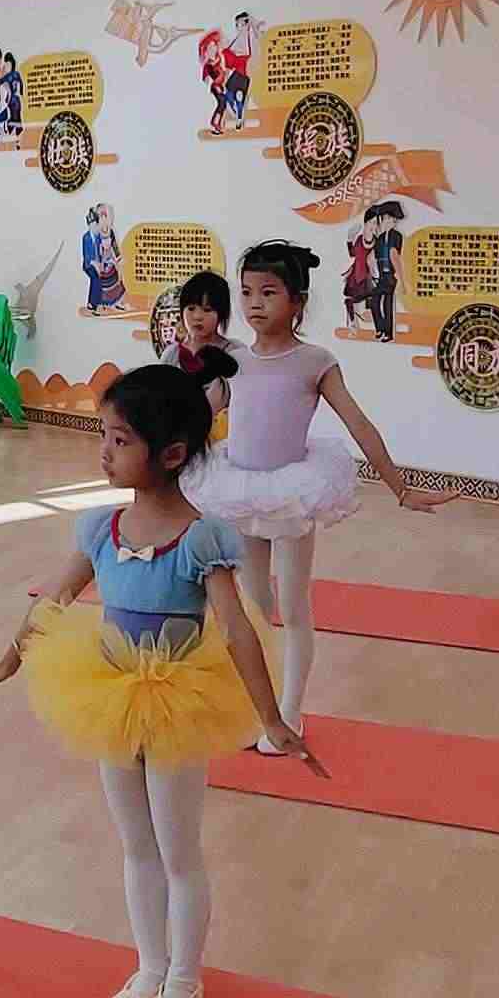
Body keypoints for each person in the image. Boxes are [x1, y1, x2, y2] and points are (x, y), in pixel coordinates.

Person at [0, 362, 307, 998]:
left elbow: (237, 629)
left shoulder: (202, 538)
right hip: (109, 694)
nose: (103, 451)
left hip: (178, 700)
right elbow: (55, 599)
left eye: (120, 440)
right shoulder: (101, 529)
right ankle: (150, 966)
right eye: (104, 435)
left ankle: (184, 977)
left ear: (172, 453)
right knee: (135, 846)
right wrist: (10, 657)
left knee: (177, 850)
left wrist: (271, 717)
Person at [184, 241, 457, 751]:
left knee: (292, 605)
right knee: (254, 606)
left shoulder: (314, 362)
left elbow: (358, 423)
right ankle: (260, 711)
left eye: (269, 292)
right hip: (240, 491)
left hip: (292, 495)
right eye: (247, 292)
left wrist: (400, 489)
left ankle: (290, 714)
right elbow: (200, 413)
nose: (254, 303)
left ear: (298, 302)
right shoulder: (235, 361)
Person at [162, 270, 236, 442]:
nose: (197, 317)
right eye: (191, 308)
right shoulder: (171, 355)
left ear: (221, 313)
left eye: (207, 310)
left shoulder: (233, 352)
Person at [360, 200, 406, 342]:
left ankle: (387, 333)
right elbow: (371, 256)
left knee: (386, 304)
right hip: (380, 277)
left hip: (390, 276)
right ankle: (381, 329)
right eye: (385, 219)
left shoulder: (397, 236)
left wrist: (402, 280)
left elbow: (395, 256)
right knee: (376, 302)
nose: (386, 221)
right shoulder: (380, 239)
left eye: (388, 219)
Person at [81, 204, 126, 313]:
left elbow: (114, 245)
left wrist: (118, 257)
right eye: (101, 217)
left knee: (116, 279)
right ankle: (101, 303)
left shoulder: (111, 232)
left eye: (106, 217)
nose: (104, 220)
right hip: (101, 262)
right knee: (103, 283)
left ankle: (117, 302)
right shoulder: (97, 234)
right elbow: (96, 251)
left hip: (109, 260)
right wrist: (99, 261)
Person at [219, 13, 257, 128]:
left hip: (242, 73)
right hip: (243, 74)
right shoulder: (241, 37)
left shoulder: (247, 36)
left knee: (232, 93)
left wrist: (251, 22)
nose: (237, 26)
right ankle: (239, 116)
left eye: (239, 24)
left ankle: (238, 114)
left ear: (245, 23)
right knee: (237, 97)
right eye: (236, 24)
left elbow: (237, 52)